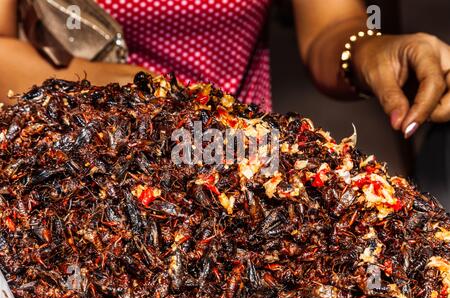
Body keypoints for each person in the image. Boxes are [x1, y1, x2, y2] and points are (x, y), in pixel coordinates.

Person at [0, 0, 449, 140]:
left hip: (233, 156)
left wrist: (369, 51)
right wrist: (140, 93)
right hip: (73, 150)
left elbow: (331, 25)